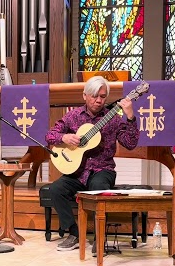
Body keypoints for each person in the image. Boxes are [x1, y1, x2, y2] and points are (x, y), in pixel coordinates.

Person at [45, 75, 140, 251]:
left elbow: (130, 143)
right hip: (78, 171)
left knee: (99, 188)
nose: (98, 100)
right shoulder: (73, 117)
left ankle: (99, 236)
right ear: (85, 96)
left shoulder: (113, 118)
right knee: (56, 189)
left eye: (102, 96)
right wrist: (64, 137)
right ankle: (74, 233)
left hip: (102, 169)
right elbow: (50, 135)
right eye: (94, 96)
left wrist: (130, 116)